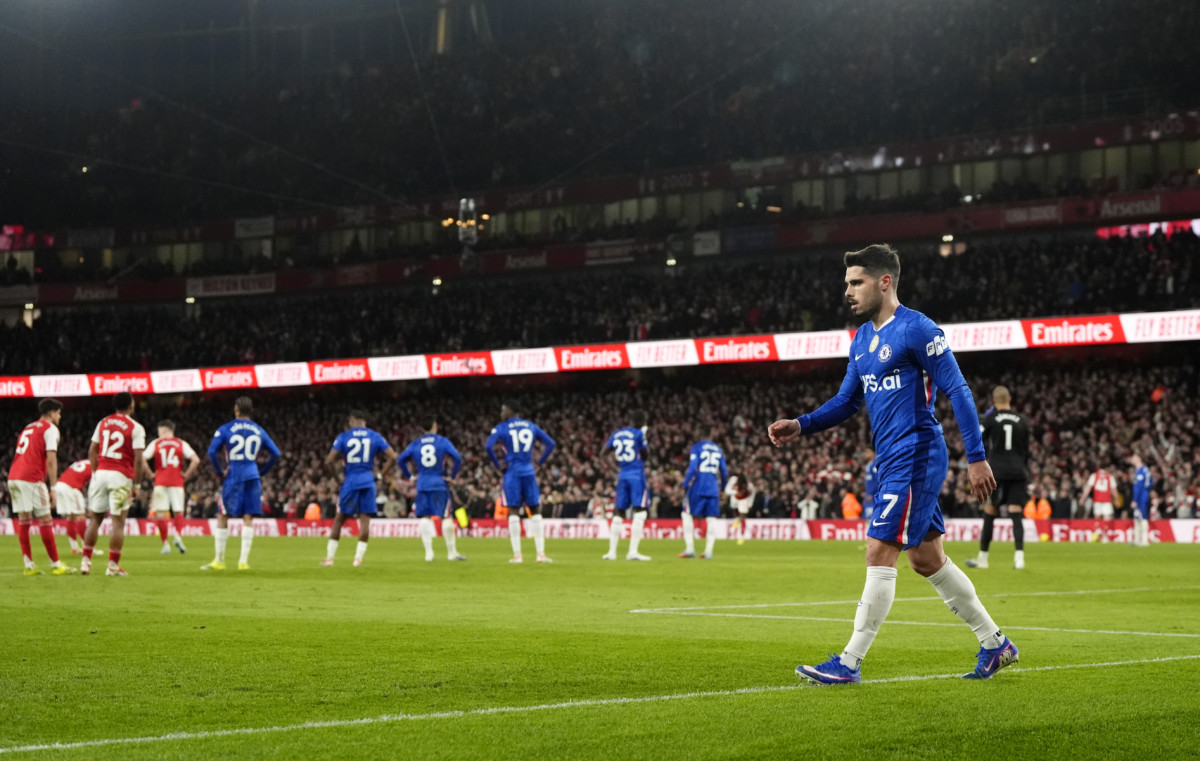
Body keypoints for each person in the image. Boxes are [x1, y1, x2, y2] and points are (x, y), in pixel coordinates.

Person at [768, 243, 1017, 684]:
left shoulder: (917, 329)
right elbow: (847, 402)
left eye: (856, 282)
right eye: (847, 283)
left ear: (884, 282)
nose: (848, 291)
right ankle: (995, 643)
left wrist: (977, 457)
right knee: (926, 558)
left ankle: (849, 662)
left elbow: (958, 389)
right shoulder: (861, 341)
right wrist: (802, 424)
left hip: (917, 452)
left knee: (878, 549)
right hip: (892, 458)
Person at [203, 397, 280, 571]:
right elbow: (276, 453)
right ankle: (243, 562)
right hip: (253, 476)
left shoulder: (226, 428)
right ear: (250, 411)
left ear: (236, 409)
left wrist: (219, 472)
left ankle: (219, 561)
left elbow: (212, 451)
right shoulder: (259, 430)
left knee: (223, 515)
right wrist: (261, 471)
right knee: (248, 517)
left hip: (234, 475)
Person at [82, 392, 147, 576]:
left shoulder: (103, 422)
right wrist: (137, 485)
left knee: (95, 519)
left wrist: (96, 472)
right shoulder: (136, 427)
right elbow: (139, 459)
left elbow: (92, 450)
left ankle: (85, 562)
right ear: (131, 406)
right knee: (118, 523)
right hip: (120, 476)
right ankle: (112, 566)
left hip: (101, 473)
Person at [6, 398, 73, 575]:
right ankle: (56, 565)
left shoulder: (28, 427)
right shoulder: (50, 429)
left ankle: (29, 565)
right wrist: (53, 488)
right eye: (58, 413)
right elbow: (51, 459)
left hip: (14, 477)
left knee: (24, 520)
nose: (60, 416)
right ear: (51, 413)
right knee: (45, 519)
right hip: (31, 478)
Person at [321, 410, 396, 567]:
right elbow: (393, 457)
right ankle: (358, 560)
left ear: (352, 421)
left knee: (340, 519)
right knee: (365, 520)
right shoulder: (375, 436)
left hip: (351, 480)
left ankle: (329, 558)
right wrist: (380, 475)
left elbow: (329, 461)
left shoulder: (344, 436)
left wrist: (338, 480)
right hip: (368, 480)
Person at [967, 386, 1031, 570]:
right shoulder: (1022, 420)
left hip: (997, 470)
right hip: (1018, 470)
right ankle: (1019, 559)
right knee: (1015, 511)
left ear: (994, 401)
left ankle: (983, 559)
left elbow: (978, 438)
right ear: (1009, 399)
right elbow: (1026, 449)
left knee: (990, 510)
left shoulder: (991, 419)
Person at [486, 404, 556, 564]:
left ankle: (517, 556)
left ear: (511, 411)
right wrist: (540, 463)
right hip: (528, 471)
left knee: (513, 511)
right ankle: (541, 555)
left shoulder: (502, 427)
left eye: (503, 410)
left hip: (512, 472)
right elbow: (551, 443)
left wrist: (498, 465)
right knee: (535, 510)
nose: (501, 413)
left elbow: (488, 446)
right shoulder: (531, 426)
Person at [397, 416, 464, 562]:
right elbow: (457, 458)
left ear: (422, 429)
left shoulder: (415, 444)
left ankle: (429, 553)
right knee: (446, 516)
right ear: (435, 426)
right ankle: (451, 553)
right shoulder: (442, 441)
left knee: (424, 517)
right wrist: (452, 476)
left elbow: (401, 460)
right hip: (439, 482)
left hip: (422, 484)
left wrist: (409, 476)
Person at [143, 420, 200, 555]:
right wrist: (186, 475)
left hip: (160, 481)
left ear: (164, 430)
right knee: (178, 511)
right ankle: (178, 537)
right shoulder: (181, 443)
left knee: (161, 514)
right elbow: (196, 460)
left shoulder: (156, 443)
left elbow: (142, 458)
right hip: (177, 481)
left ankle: (165, 544)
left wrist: (150, 474)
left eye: (159, 431)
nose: (158, 434)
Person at [603, 410, 652, 561]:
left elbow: (603, 454)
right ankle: (633, 552)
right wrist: (644, 438)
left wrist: (615, 469)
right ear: (642, 421)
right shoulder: (639, 434)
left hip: (622, 475)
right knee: (640, 512)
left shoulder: (617, 433)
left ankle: (611, 552)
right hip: (636, 476)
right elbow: (645, 456)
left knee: (619, 513)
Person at [679, 431, 727, 559]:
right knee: (711, 519)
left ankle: (690, 549)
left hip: (698, 486)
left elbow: (692, 468)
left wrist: (684, 485)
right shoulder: (718, 449)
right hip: (713, 488)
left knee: (686, 514)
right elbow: (724, 472)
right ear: (711, 435)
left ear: (700, 435)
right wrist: (723, 489)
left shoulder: (697, 447)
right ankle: (708, 552)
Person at [55, 458, 91, 555]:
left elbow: (78, 477)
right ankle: (87, 548)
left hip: (60, 485)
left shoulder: (83, 462)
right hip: (71, 487)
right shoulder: (96, 466)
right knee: (80, 516)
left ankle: (74, 548)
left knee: (70, 516)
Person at [1082, 464, 1115, 541]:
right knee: (1107, 518)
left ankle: (1098, 532)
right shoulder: (1109, 476)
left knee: (1098, 518)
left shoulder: (1094, 476)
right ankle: (1104, 536)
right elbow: (1114, 489)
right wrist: (1116, 498)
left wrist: (1083, 498)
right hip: (1106, 500)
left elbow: (1088, 487)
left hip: (1097, 501)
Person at [1130, 453, 1153, 547]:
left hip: (1141, 497)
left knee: (1143, 517)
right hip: (1141, 496)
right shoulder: (1141, 470)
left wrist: (1135, 499)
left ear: (1139, 458)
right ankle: (1137, 540)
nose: (1132, 459)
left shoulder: (1142, 470)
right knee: (1137, 517)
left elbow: (1141, 487)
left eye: (1134, 457)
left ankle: (1144, 540)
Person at [725, 473, 756, 545]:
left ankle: (742, 536)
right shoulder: (733, 480)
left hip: (744, 500)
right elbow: (727, 490)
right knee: (737, 515)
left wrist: (750, 504)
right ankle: (737, 520)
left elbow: (752, 494)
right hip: (735, 499)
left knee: (743, 516)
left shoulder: (750, 485)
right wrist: (735, 492)